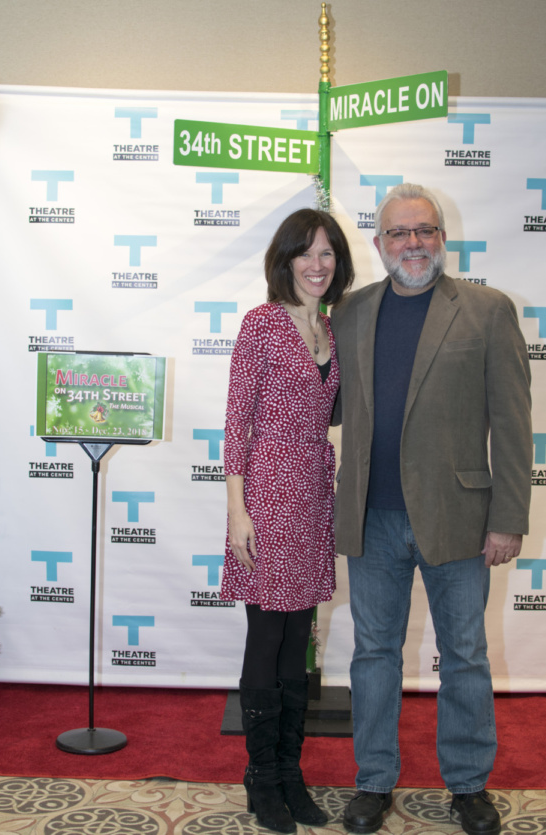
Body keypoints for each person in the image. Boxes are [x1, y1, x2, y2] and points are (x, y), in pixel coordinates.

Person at [330, 183, 532, 835]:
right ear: (379, 242)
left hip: (460, 518)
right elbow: (325, 404)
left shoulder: (487, 310)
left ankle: (469, 785)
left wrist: (508, 516)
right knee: (373, 654)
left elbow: (513, 421)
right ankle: (373, 781)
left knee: (466, 654)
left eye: (424, 230)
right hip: (373, 516)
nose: (412, 243)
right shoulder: (351, 312)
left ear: (442, 238)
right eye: (398, 233)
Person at [221, 208, 354, 833]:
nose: (318, 264)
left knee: (299, 642)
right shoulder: (261, 324)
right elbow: (237, 419)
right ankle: (261, 778)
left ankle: (290, 772)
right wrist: (236, 507)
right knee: (266, 639)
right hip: (267, 495)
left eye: (328, 253)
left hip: (313, 493)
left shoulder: (334, 328)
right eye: (306, 252)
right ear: (286, 259)